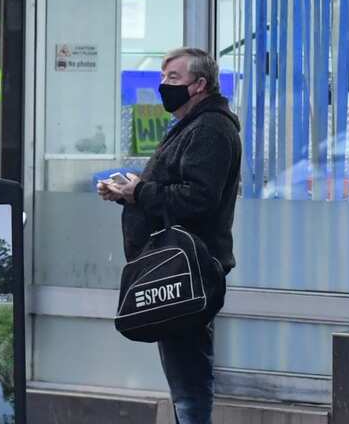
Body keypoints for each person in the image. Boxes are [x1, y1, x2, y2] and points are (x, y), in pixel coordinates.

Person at [98, 47, 241, 424]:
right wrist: (127, 194)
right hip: (172, 267)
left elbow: (198, 199)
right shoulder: (191, 126)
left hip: (188, 270)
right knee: (183, 377)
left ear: (200, 85)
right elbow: (172, 193)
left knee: (189, 379)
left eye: (174, 78)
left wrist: (138, 192)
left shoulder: (210, 129)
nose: (164, 85)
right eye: (162, 78)